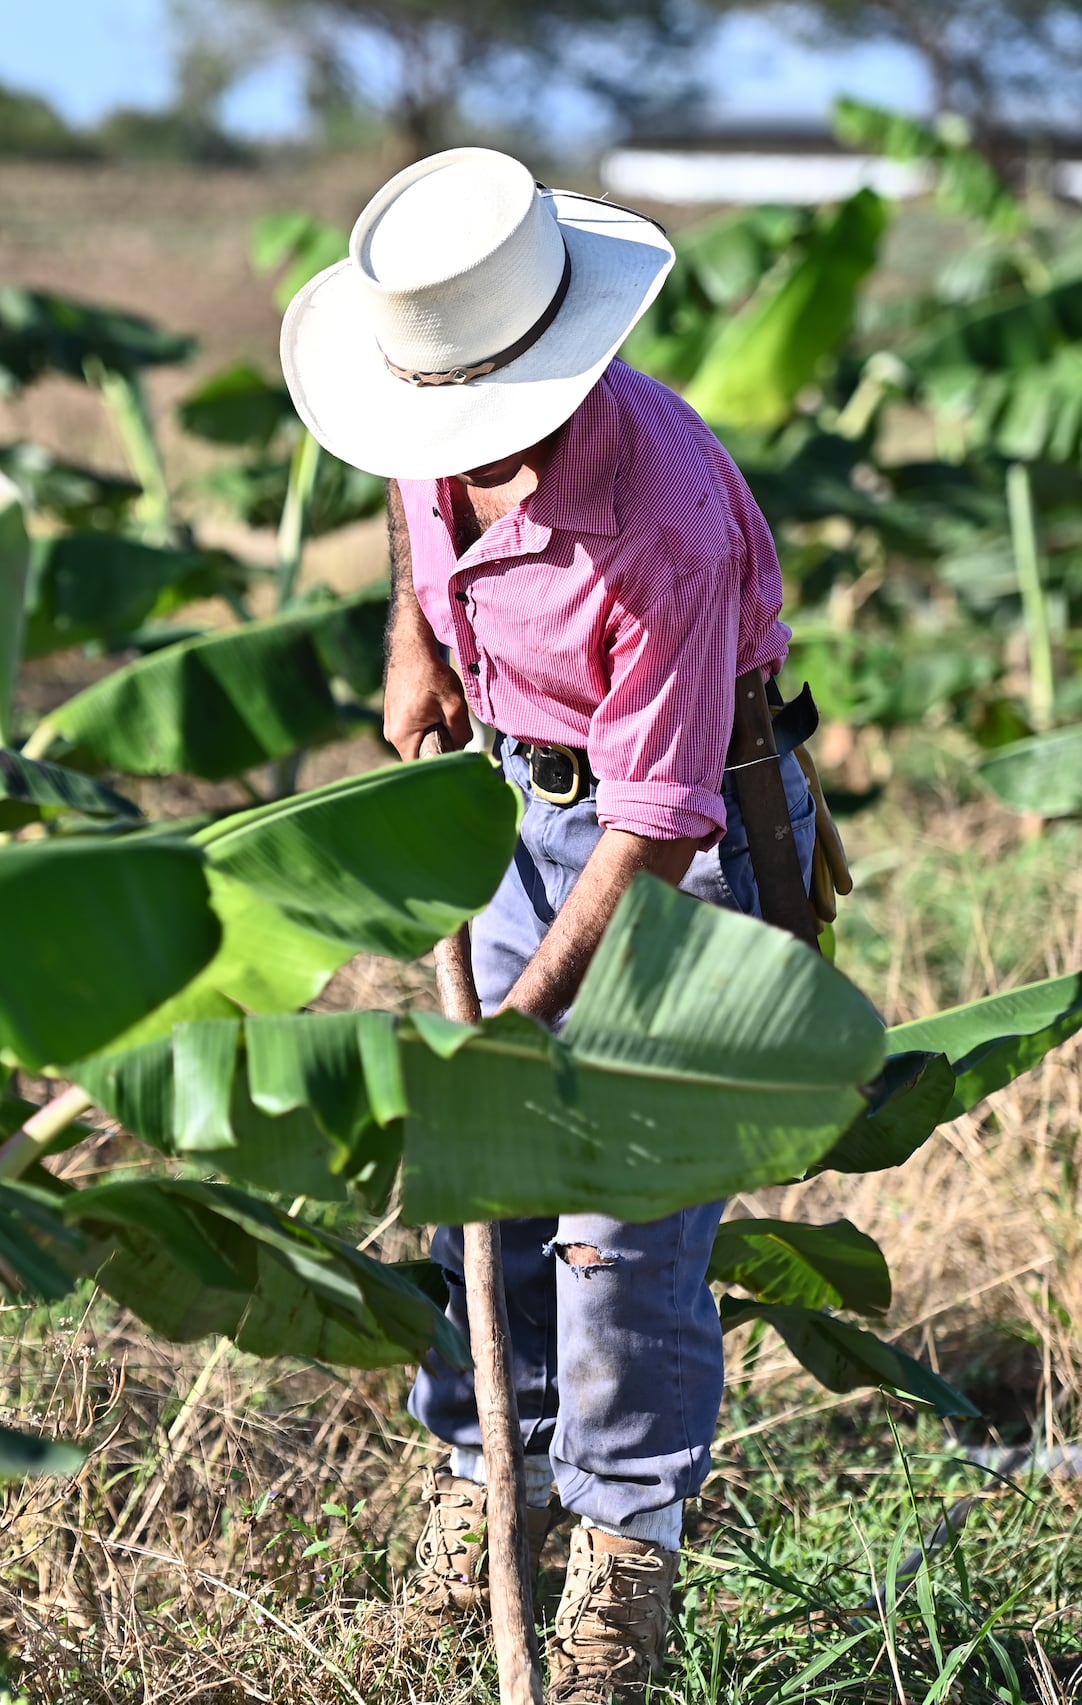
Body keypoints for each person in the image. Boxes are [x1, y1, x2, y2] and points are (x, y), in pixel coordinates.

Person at [278, 147, 822, 1701]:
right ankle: (484, 1486)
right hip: (516, 801)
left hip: (676, 839)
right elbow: (418, 499)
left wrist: (526, 1025)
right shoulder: (436, 394)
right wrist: (418, 639)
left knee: (615, 1225)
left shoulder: (655, 516)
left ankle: (621, 1570)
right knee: (485, 1181)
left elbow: (659, 821)